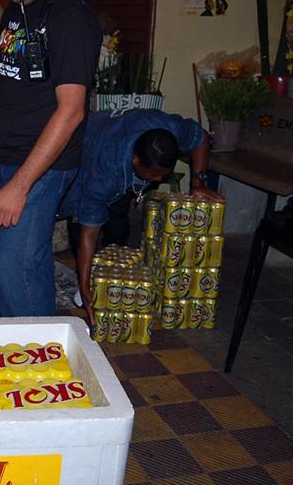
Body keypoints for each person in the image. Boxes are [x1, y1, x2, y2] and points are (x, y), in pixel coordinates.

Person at [0, 0, 102, 316]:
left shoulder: (70, 16)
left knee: (14, 268)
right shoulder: (15, 10)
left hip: (43, 164)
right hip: (12, 158)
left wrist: (20, 185)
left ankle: (26, 349)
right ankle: (42, 342)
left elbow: (71, 111)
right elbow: (7, 88)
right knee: (31, 260)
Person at [58, 109, 224, 324]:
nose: (159, 180)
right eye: (154, 174)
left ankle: (111, 276)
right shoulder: (105, 172)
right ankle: (88, 284)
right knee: (80, 220)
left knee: (118, 221)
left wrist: (198, 183)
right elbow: (88, 231)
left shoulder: (168, 129)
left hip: (120, 148)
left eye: (164, 174)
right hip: (84, 149)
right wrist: (84, 284)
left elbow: (200, 137)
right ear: (135, 160)